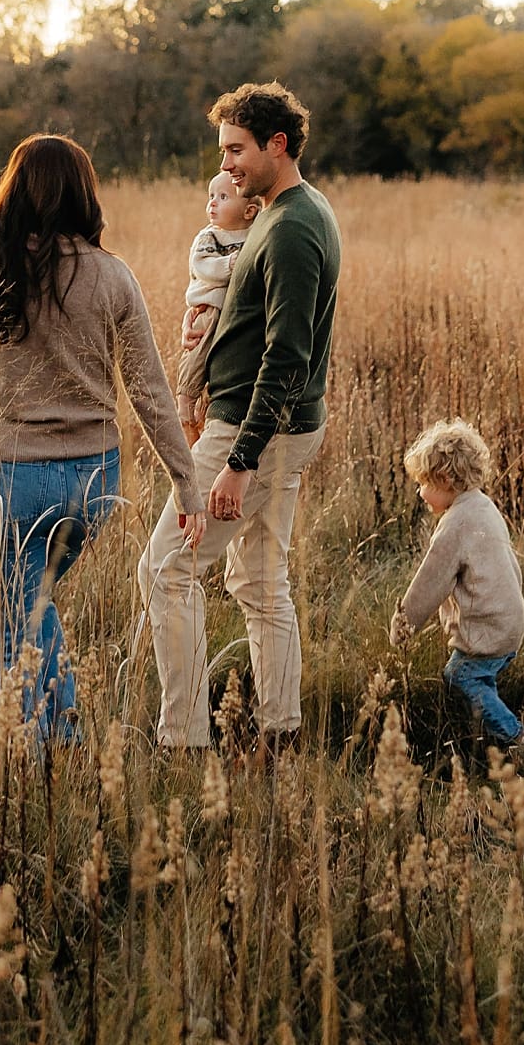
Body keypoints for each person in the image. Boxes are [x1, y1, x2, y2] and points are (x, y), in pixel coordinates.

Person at [0, 133, 205, 738]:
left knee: (10, 620)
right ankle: (52, 742)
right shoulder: (113, 276)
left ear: (13, 190)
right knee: (31, 607)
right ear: (83, 194)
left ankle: (46, 748)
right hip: (91, 482)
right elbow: (149, 390)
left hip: (7, 480)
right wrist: (187, 481)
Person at [139, 81, 340, 751]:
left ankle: (184, 739)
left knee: (166, 567)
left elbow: (287, 356)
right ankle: (281, 733)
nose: (225, 165)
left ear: (276, 146)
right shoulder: (285, 215)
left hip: (259, 430)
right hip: (271, 425)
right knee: (259, 579)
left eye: (236, 150)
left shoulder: (289, 230)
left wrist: (239, 463)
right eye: (223, 151)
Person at [388, 419, 524, 752]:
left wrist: (403, 626)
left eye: (424, 482)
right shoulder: (484, 506)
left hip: (488, 631)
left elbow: (429, 584)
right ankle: (482, 738)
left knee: (460, 675)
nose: (420, 492)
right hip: (509, 624)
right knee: (480, 681)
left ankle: (516, 737)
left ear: (446, 479)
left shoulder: (455, 525)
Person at [175, 171, 261, 436]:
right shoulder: (209, 236)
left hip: (233, 313)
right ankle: (185, 403)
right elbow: (203, 266)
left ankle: (206, 408)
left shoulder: (254, 235)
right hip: (209, 309)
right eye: (211, 196)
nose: (212, 203)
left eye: (223, 197)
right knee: (197, 354)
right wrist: (231, 264)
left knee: (220, 364)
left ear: (249, 211)